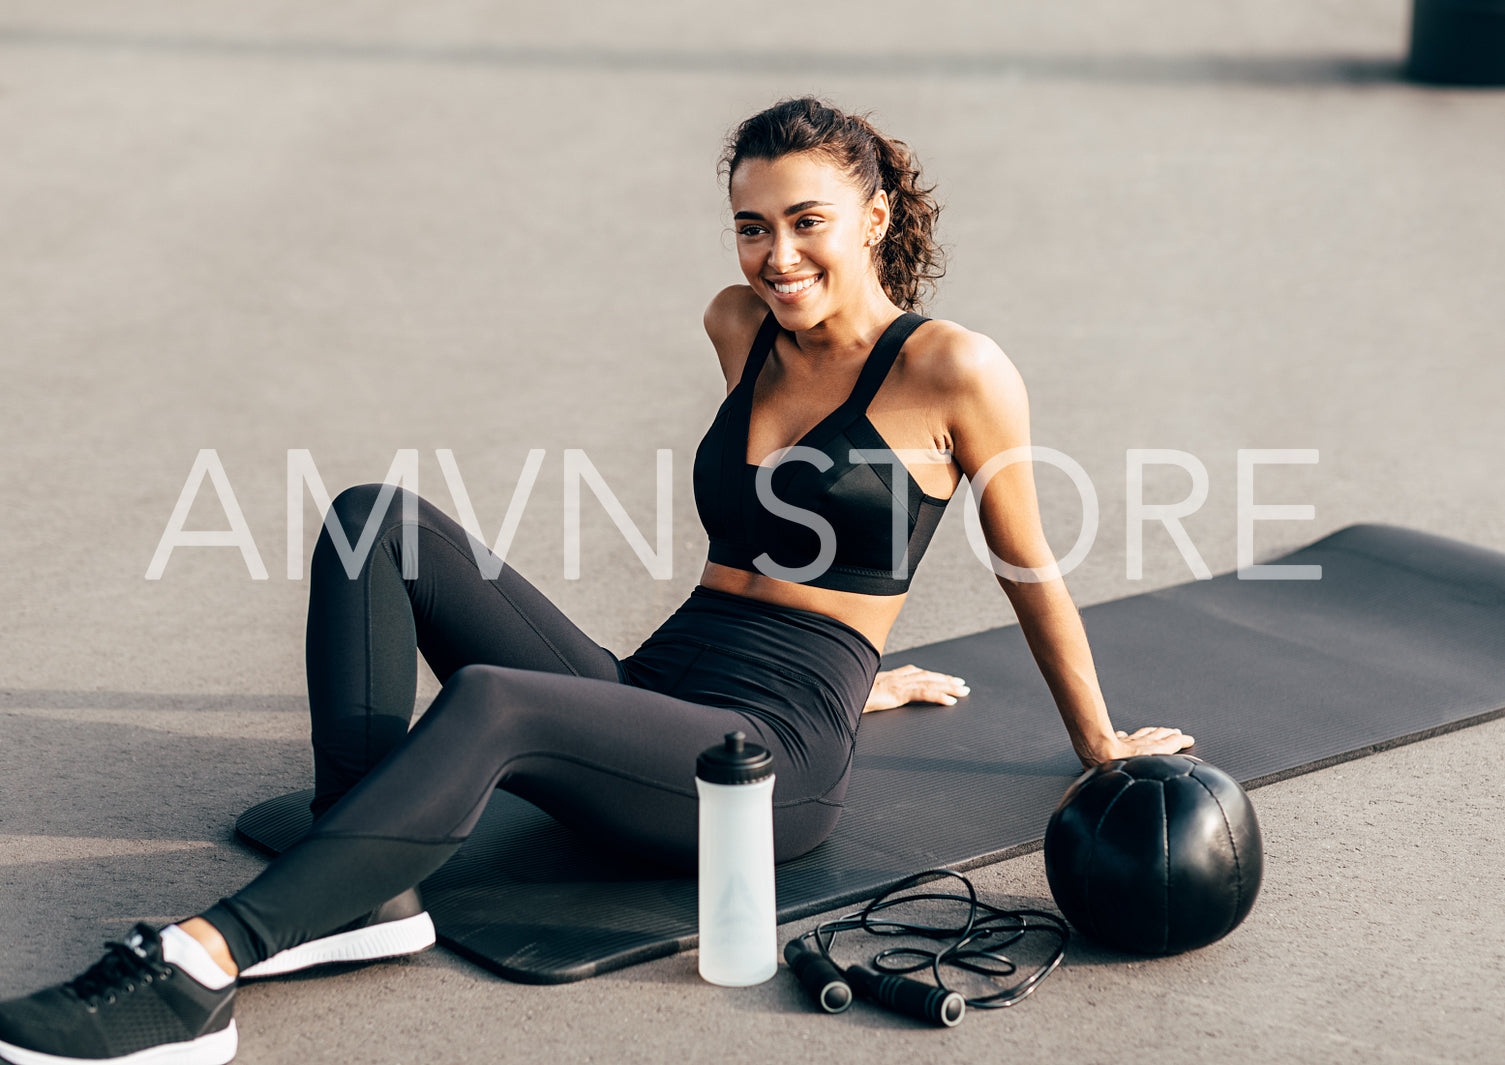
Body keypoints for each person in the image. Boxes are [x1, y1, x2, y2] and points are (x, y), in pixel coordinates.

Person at [0, 96, 1192, 1065]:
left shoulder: (953, 370)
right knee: (376, 523)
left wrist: (1095, 746)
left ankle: (202, 967)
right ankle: (363, 893)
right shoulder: (739, 325)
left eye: (807, 221)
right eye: (749, 224)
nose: (775, 256)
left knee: (494, 706)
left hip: (760, 762)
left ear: (874, 216)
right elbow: (771, 547)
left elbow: (1024, 567)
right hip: (658, 685)